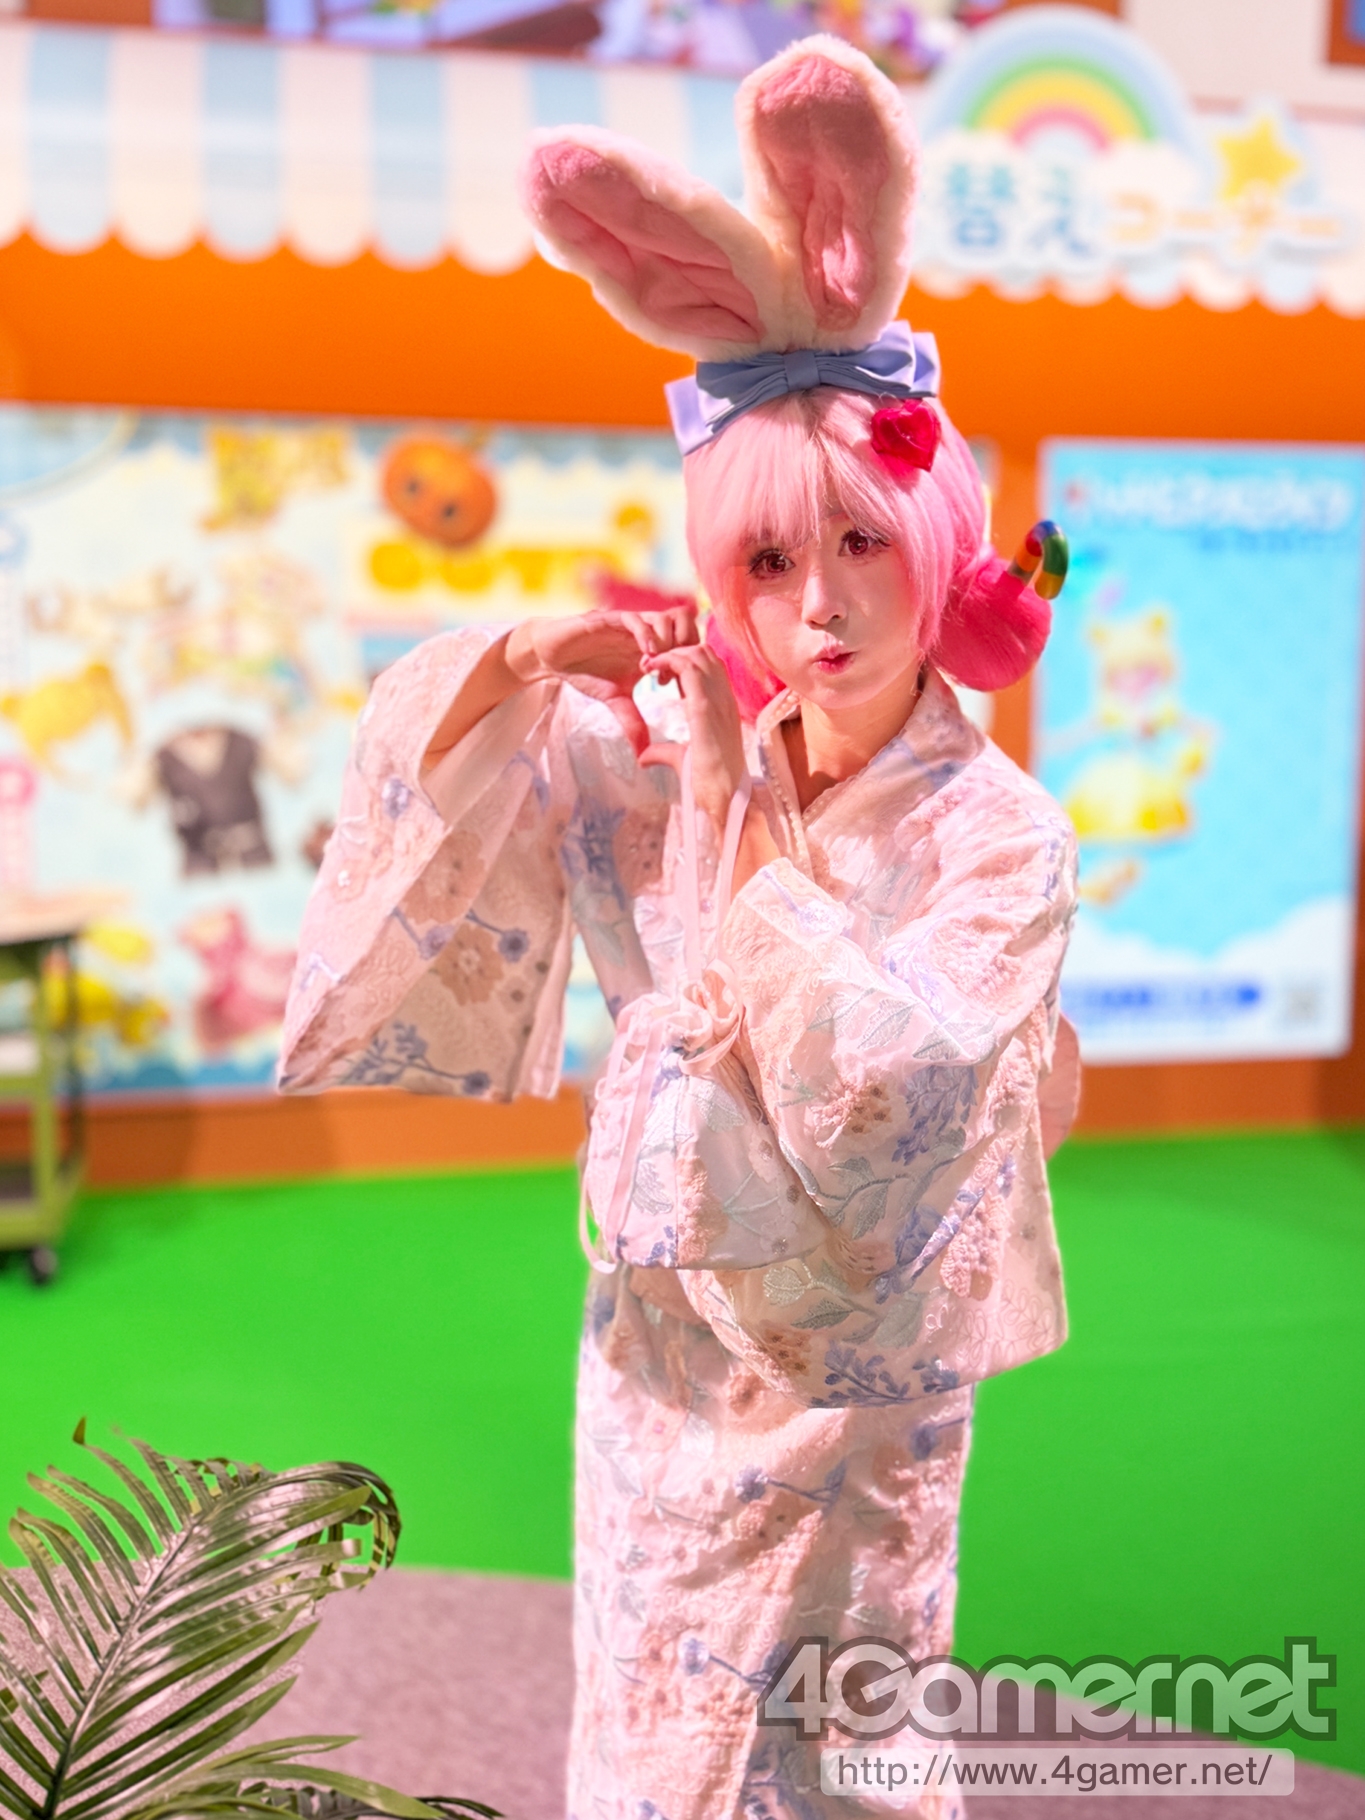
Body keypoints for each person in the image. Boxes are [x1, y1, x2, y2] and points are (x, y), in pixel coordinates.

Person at [279, 34, 1079, 1819]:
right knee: (644, 1707)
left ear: (936, 541)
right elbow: (432, 805)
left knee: (840, 1735)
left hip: (851, 1371)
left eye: (861, 545)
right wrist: (524, 659)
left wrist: (734, 808)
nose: (820, 609)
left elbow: (895, 1090)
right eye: (768, 564)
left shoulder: (1000, 836)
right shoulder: (650, 762)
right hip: (656, 1348)